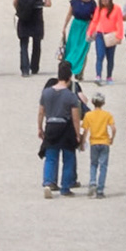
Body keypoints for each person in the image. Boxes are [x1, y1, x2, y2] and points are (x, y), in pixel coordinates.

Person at [39, 62, 84, 198]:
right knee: (68, 158)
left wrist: (40, 127)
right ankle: (65, 187)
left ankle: (48, 182)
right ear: (69, 77)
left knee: (51, 157)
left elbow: (41, 112)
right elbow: (75, 117)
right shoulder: (70, 96)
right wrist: (78, 134)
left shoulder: (46, 92)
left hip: (51, 125)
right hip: (66, 127)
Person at [14, 0, 51, 76]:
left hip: (24, 17)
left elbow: (15, 1)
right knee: (37, 43)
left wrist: (20, 10)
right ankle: (34, 67)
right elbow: (48, 3)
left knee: (23, 43)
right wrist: (40, 2)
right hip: (37, 16)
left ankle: (25, 69)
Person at [88, 0, 124, 84]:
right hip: (101, 34)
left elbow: (119, 23)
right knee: (100, 55)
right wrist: (90, 32)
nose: (104, 0)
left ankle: (109, 76)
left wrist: (119, 35)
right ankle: (98, 75)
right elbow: (94, 21)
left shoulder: (116, 8)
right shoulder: (99, 9)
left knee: (110, 57)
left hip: (111, 35)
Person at [83, 93, 116, 198]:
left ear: (93, 102)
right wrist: (112, 138)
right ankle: (100, 190)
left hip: (94, 142)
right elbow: (113, 128)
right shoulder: (107, 115)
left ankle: (93, 182)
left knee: (93, 164)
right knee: (103, 166)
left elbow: (85, 130)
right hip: (104, 142)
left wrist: (82, 142)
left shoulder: (88, 115)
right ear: (103, 103)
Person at [61, 0, 94, 80]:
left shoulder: (92, 3)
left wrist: (92, 30)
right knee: (71, 48)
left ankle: (80, 72)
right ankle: (68, 70)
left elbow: (94, 18)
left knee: (83, 50)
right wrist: (64, 27)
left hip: (86, 26)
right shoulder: (75, 1)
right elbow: (69, 14)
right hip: (75, 26)